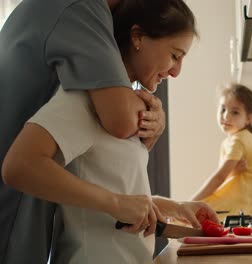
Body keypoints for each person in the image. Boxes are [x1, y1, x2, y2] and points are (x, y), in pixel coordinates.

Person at [1, 0, 218, 263]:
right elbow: (19, 166)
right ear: (137, 37)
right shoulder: (81, 100)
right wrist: (117, 204)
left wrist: (175, 207)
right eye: (175, 55)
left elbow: (114, 194)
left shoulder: (124, 105)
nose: (176, 71)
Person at [191, 83, 252, 217]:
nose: (226, 116)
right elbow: (230, 175)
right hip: (249, 202)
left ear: (248, 119)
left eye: (235, 112)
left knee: (192, 214)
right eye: (222, 109)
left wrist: (190, 202)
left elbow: (219, 177)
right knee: (196, 212)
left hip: (243, 202)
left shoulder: (238, 140)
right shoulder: (239, 139)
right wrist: (233, 172)